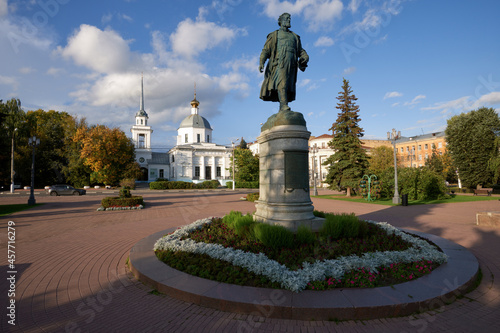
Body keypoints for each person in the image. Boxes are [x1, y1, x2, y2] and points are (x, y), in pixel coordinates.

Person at [259, 13, 309, 112]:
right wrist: (262, 61)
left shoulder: (294, 36)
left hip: (292, 64)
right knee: (282, 83)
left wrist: (305, 57)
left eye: (290, 19)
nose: (289, 20)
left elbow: (300, 51)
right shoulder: (274, 35)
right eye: (286, 18)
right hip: (280, 62)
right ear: (280, 21)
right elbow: (266, 50)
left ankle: (282, 107)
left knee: (288, 85)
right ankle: (284, 105)